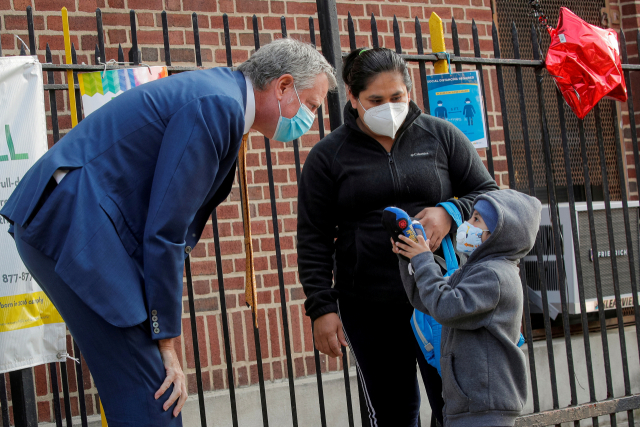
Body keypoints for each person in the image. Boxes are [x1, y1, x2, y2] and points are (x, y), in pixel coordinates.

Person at [1, 38, 336, 427]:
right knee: (154, 394)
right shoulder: (218, 105)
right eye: (311, 105)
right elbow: (166, 230)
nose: (311, 120)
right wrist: (167, 341)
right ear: (282, 86)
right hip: (73, 224)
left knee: (143, 390)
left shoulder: (220, 95)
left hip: (71, 220)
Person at [297, 47, 499, 427]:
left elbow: (489, 195)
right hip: (369, 304)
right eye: (375, 100)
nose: (388, 107)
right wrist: (321, 308)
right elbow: (313, 237)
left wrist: (449, 212)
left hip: (442, 297)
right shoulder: (328, 156)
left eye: (397, 97)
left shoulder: (440, 136)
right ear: (352, 97)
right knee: (392, 413)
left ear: (409, 91)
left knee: (454, 405)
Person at [393, 189, 540, 427]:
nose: (467, 224)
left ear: (495, 235)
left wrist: (424, 260)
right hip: (467, 404)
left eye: (476, 220)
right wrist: (409, 257)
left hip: (485, 405)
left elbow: (446, 307)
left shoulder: (495, 277)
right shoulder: (475, 270)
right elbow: (427, 301)